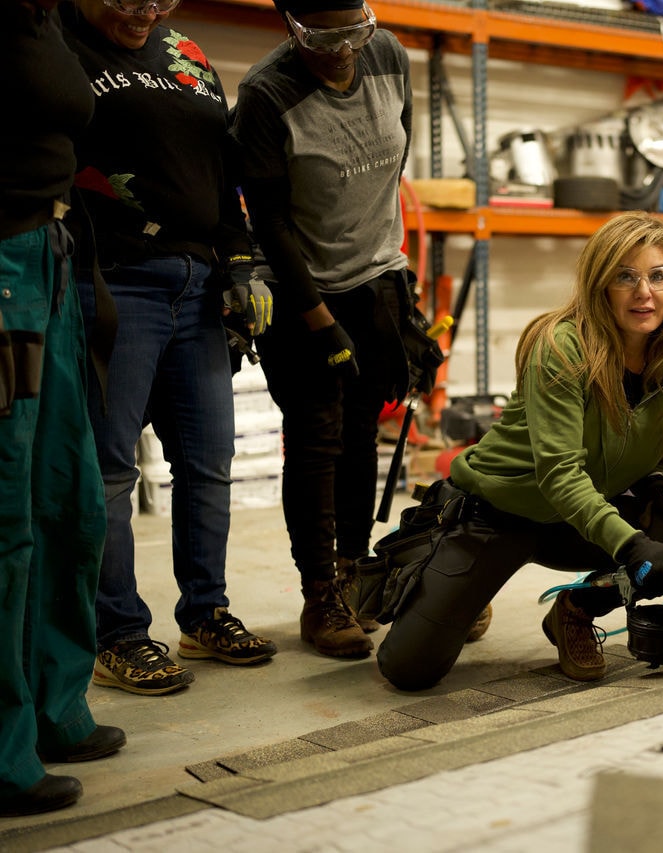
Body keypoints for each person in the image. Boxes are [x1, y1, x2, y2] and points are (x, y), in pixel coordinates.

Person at [377, 211, 663, 691]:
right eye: (625, 277)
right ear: (599, 283)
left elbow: (654, 455)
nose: (644, 293)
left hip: (576, 520)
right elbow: (561, 475)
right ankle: (463, 588)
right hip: (499, 514)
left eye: (658, 276)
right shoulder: (562, 345)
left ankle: (575, 609)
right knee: (408, 670)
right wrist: (630, 545)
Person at [61, 0, 277, 696]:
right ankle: (117, 632)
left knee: (209, 460)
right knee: (110, 472)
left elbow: (223, 173)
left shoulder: (184, 52)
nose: (146, 9)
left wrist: (241, 262)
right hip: (115, 280)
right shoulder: (53, 45)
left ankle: (205, 612)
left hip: (200, 281)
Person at [232, 0, 433, 658]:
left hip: (375, 283)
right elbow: (270, 221)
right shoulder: (267, 94)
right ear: (291, 24)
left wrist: (394, 282)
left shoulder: (391, 57)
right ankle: (320, 594)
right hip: (302, 287)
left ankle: (351, 568)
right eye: (327, 34)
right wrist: (320, 320)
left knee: (359, 435)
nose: (346, 46)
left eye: (357, 28)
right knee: (317, 440)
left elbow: (391, 165)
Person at [0, 0, 126, 817]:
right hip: (2, 263)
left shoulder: (42, 17)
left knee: (69, 498)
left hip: (48, 254)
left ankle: (57, 706)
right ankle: (5, 749)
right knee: (6, 516)